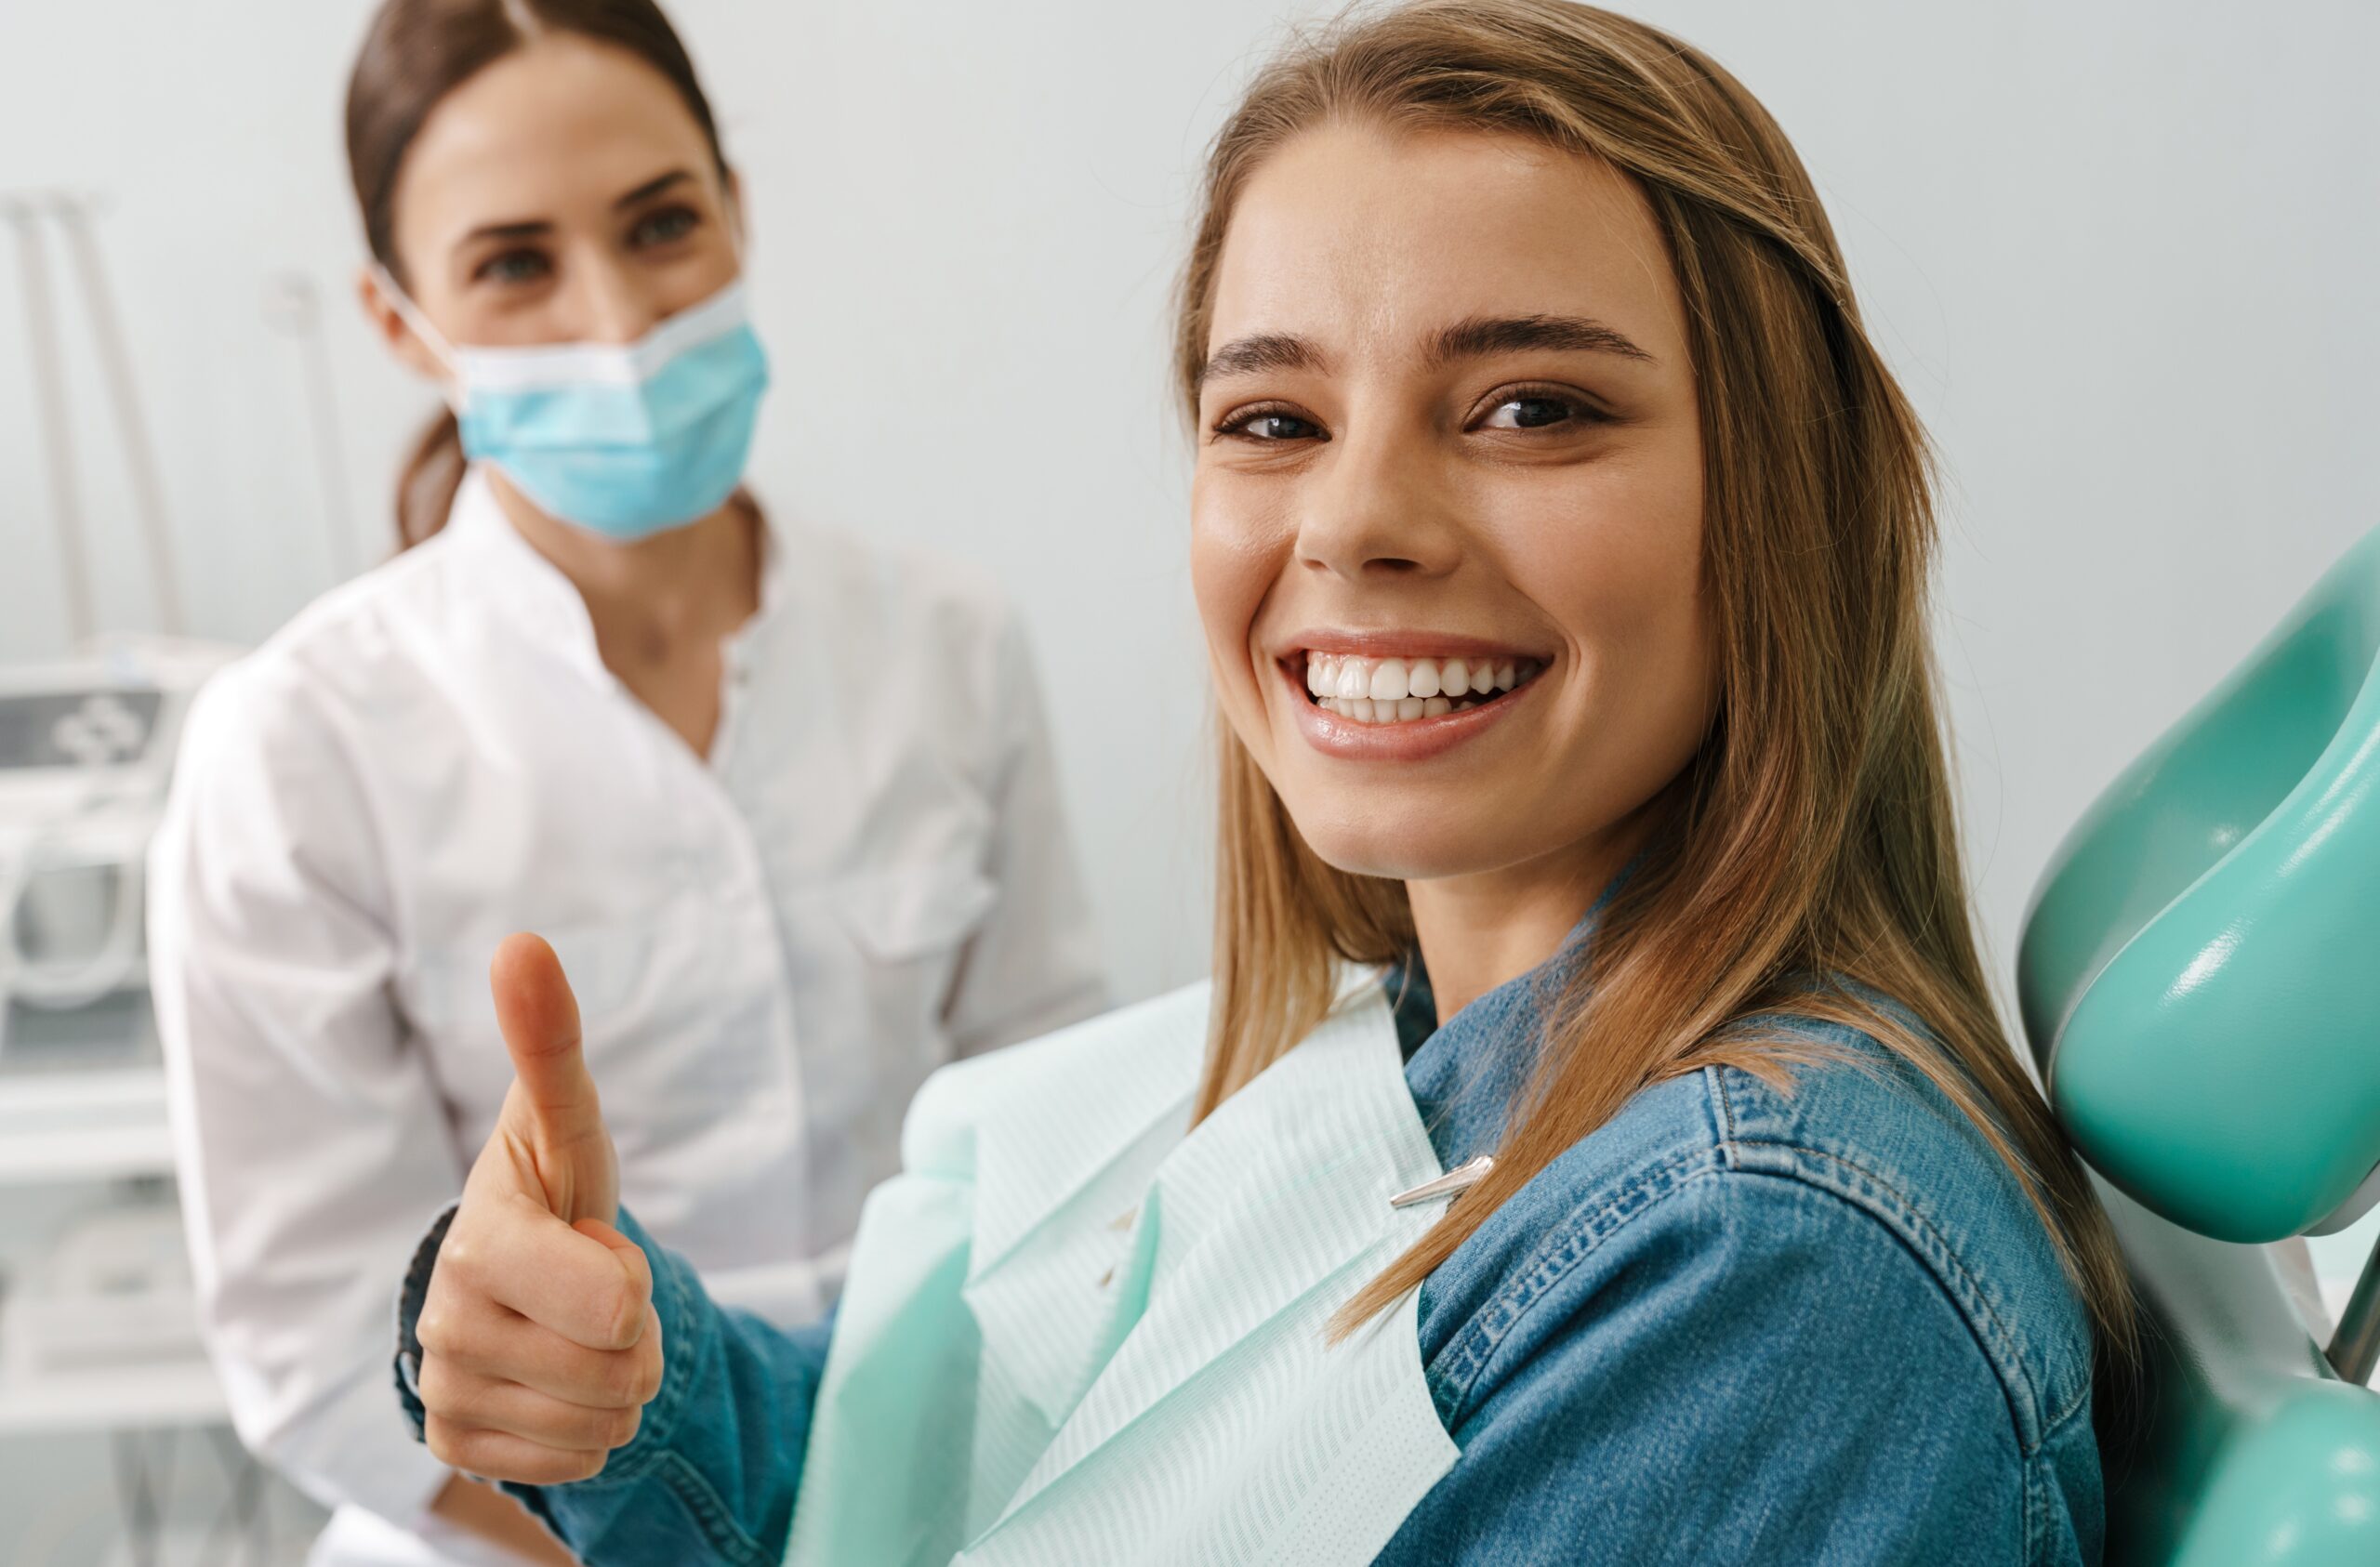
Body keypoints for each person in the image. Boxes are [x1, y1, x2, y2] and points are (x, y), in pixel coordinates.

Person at [392, 1, 2138, 1561]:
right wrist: (603, 1366)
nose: (1356, 521)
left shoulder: (1764, 1272)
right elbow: (915, 1467)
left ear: (1787, 496)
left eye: (1532, 407)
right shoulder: (1382, 1061)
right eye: (1274, 421)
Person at [146, 2, 1105, 1562]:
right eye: (514, 265)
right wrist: (698, 1538)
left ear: (736, 212)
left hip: (940, 1503)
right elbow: (310, 1343)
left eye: (661, 225)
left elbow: (1060, 1142)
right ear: (401, 322)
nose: (617, 324)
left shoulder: (946, 641)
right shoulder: (296, 746)